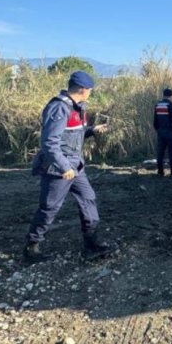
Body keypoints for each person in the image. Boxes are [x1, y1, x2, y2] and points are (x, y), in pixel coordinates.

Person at [24, 70, 114, 263]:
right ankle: (31, 247)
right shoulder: (59, 108)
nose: (90, 93)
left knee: (88, 198)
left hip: (76, 166)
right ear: (82, 89)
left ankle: (91, 246)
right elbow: (49, 143)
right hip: (59, 168)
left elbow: (73, 133)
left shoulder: (77, 107)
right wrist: (64, 167)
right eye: (89, 90)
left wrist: (91, 130)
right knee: (49, 207)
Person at [153, 87, 172, 177]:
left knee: (160, 152)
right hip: (170, 133)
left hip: (161, 133)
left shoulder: (157, 105)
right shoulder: (170, 106)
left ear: (163, 95)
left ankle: (160, 171)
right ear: (171, 96)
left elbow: (155, 121)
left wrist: (158, 130)